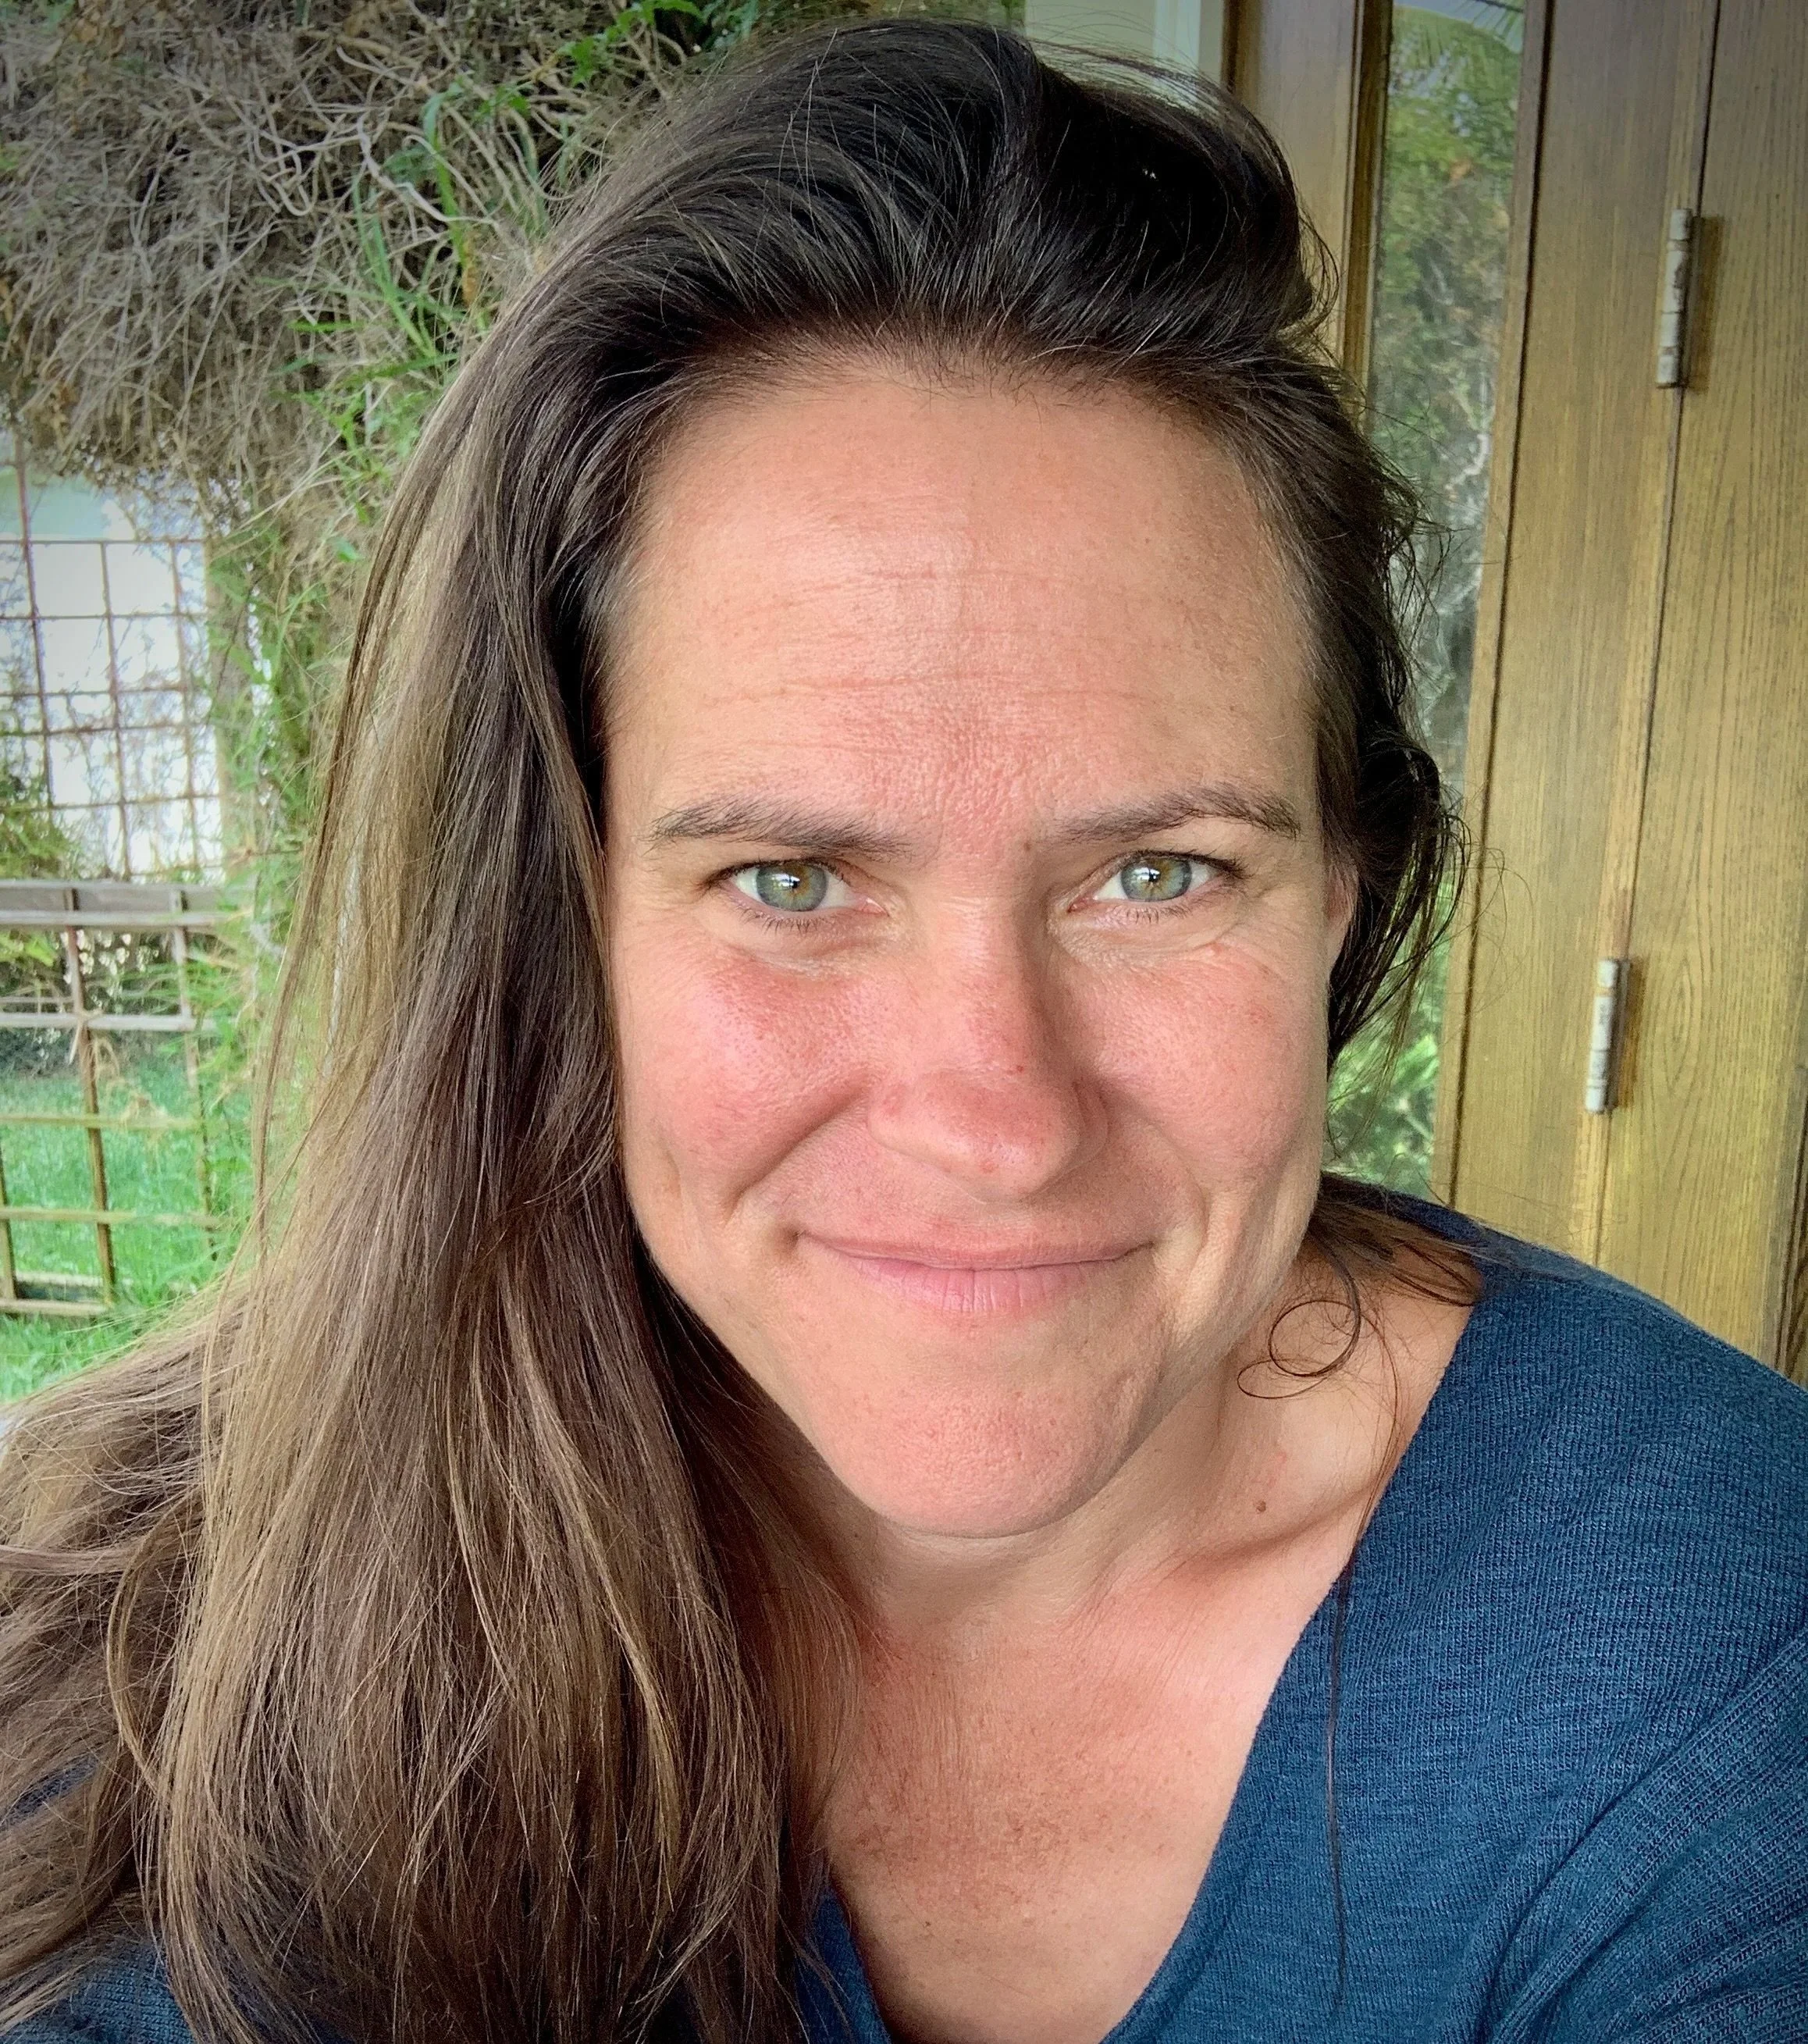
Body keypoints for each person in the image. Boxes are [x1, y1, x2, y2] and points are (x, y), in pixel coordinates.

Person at [2, 18, 1805, 2044]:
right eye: (789, 881)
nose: (993, 1118)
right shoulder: (164, 1649)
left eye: (1159, 874)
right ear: (560, 928)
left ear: (1341, 894)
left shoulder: (1717, 1647)